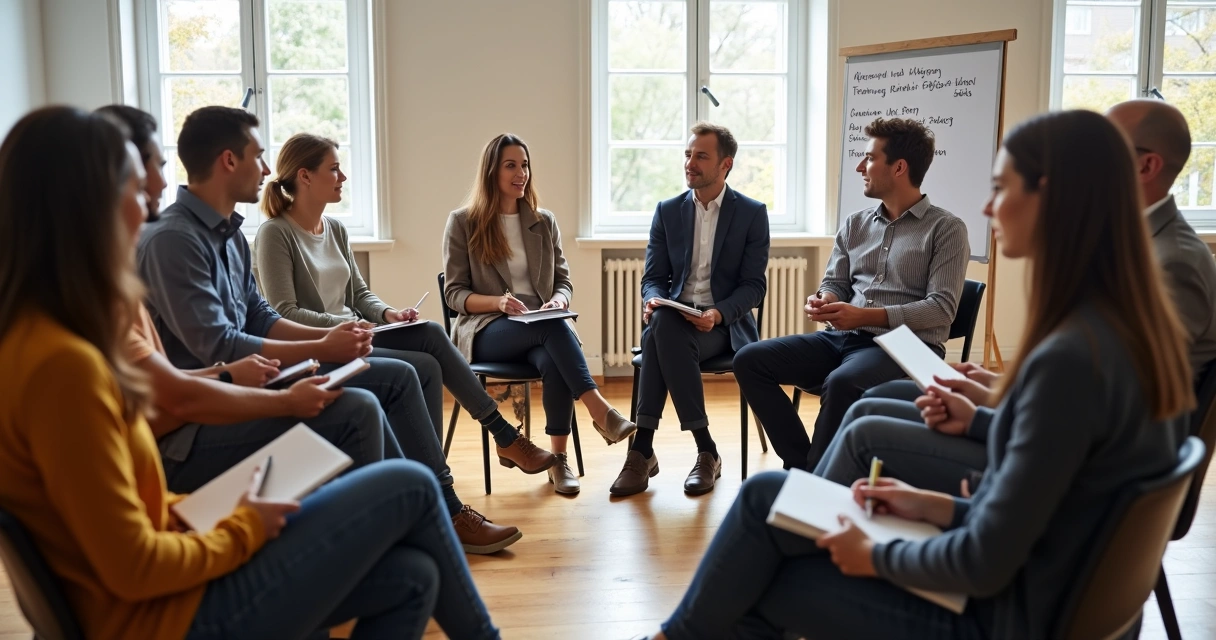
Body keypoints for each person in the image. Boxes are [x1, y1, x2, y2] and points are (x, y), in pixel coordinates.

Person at [631, 109, 1194, 640]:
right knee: (768, 504)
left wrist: (874, 553)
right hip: (1029, 588)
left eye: (1000, 189)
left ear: (1052, 197)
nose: (990, 210)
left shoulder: (1072, 353)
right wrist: (930, 504)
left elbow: (983, 560)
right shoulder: (1115, 324)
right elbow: (1054, 499)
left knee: (764, 541)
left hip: (1000, 614)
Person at [0, 105, 501, 640]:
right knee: (407, 482)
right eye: (133, 183)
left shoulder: (56, 340)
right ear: (84, 204)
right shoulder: (63, 366)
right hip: (164, 617)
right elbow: (133, 565)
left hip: (172, 575)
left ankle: (407, 532)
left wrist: (221, 507)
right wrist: (243, 524)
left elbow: (131, 502)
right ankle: (429, 523)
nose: (149, 199)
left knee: (413, 575)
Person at [137, 106, 519, 553]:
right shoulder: (177, 240)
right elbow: (219, 346)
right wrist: (325, 343)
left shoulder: (229, 236)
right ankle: (428, 511)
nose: (265, 170)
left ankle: (433, 505)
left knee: (423, 348)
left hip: (260, 373)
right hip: (214, 403)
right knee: (390, 383)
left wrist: (342, 335)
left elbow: (260, 315)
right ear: (227, 161)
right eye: (258, 156)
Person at [818, 99, 1216, 496]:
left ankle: (814, 516)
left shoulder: (1171, 261)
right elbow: (1087, 384)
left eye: (1104, 148)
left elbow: (1112, 415)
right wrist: (998, 388)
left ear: (1146, 166)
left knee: (864, 431)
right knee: (875, 403)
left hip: (1090, 473)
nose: (988, 209)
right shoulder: (1127, 248)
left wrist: (984, 414)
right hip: (1052, 437)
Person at [252, 133, 552, 485]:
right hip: (323, 346)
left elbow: (359, 294)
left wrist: (388, 315)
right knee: (423, 365)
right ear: (305, 176)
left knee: (430, 334)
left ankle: (461, 459)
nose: (343, 178)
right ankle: (469, 460)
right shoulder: (275, 234)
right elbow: (284, 312)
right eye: (334, 169)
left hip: (356, 333)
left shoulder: (335, 229)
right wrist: (348, 326)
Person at [733, 117, 969, 471]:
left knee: (842, 382)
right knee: (749, 360)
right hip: (843, 338)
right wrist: (826, 298)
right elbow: (835, 283)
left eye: (870, 158)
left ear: (899, 167)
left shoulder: (946, 229)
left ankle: (816, 483)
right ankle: (806, 468)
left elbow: (942, 309)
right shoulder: (855, 223)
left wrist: (867, 316)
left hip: (908, 347)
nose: (860, 166)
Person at [443, 133, 637, 494]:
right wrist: (498, 302)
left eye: (525, 165)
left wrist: (559, 302)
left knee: (553, 351)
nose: (522, 173)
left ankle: (557, 462)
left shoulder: (543, 222)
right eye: (511, 165)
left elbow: (563, 281)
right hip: (489, 330)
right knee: (555, 332)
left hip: (540, 326)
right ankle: (600, 410)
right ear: (491, 172)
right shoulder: (464, 222)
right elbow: (454, 294)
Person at [612, 122, 770, 497]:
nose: (690, 163)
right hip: (674, 319)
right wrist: (652, 298)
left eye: (701, 156)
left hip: (722, 328)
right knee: (663, 322)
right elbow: (653, 277)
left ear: (725, 164)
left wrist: (717, 314)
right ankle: (706, 449)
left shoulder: (751, 213)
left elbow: (753, 287)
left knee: (657, 338)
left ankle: (642, 450)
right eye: (687, 154)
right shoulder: (667, 212)